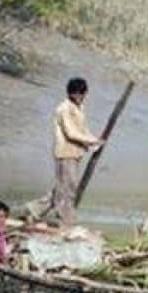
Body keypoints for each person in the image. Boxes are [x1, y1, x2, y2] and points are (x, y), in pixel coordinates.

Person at [45, 77, 105, 225]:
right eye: (79, 95)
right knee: (67, 187)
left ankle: (32, 210)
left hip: (75, 152)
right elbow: (71, 133)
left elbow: (83, 130)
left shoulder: (79, 108)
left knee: (64, 186)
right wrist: (92, 141)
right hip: (65, 152)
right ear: (74, 94)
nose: (82, 98)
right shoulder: (64, 109)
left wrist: (93, 142)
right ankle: (64, 217)